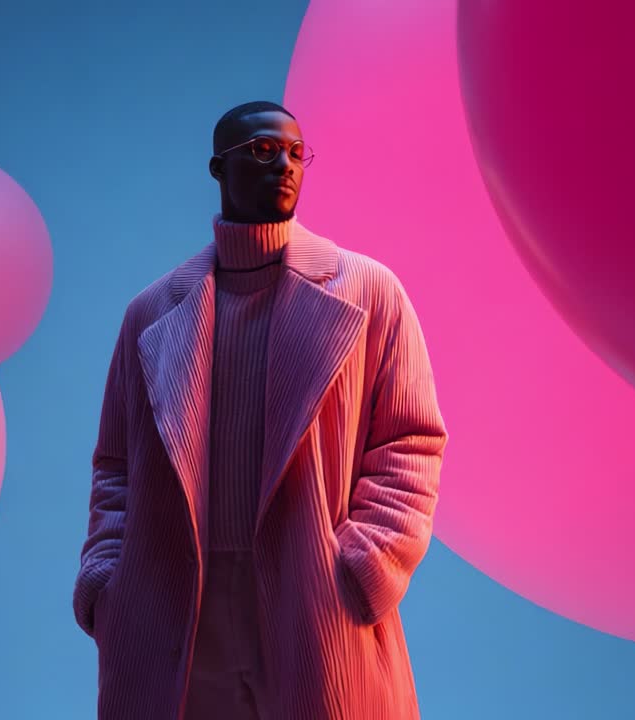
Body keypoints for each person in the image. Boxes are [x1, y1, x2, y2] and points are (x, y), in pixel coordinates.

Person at [73, 100, 447, 720]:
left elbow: (410, 441)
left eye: (297, 153)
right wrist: (106, 581)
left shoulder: (368, 291)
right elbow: (115, 465)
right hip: (175, 606)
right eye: (263, 151)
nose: (285, 166)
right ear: (219, 169)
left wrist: (365, 566)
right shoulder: (152, 312)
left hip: (315, 601)